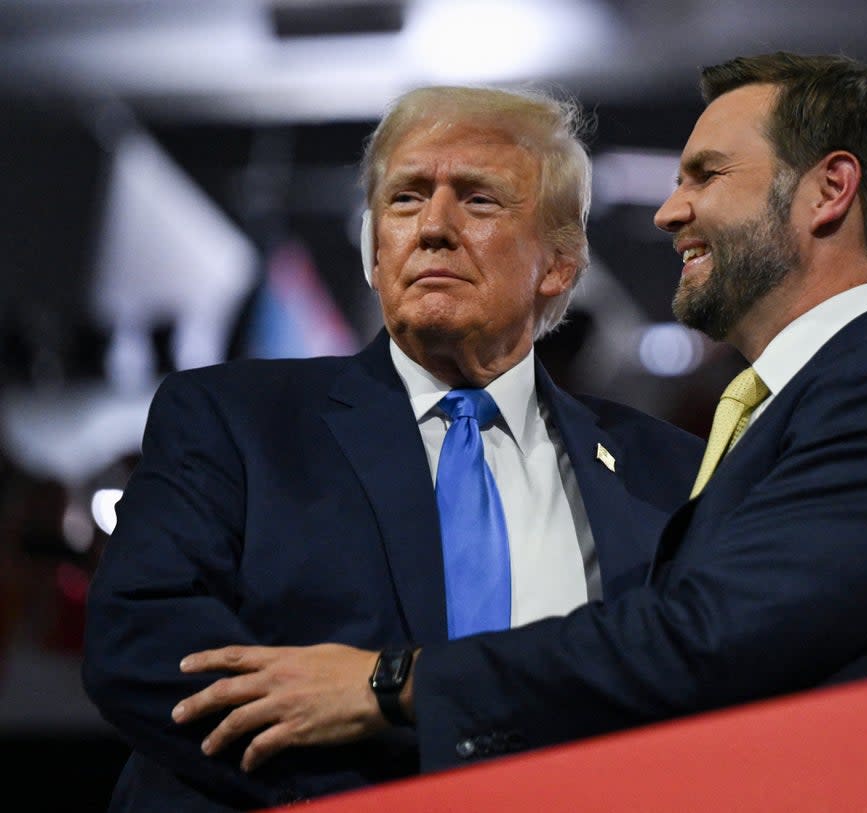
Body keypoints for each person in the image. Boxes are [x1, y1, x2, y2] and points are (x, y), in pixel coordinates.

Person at [161, 53, 867, 786]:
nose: (666, 209)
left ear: (829, 191)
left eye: (705, 173)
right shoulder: (773, 422)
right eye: (406, 199)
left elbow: (701, 639)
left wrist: (388, 683)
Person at [82, 86, 704, 810]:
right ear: (377, 250)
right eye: (406, 199)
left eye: (478, 200)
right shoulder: (233, 423)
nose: (433, 226)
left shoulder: (667, 475)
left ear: (560, 262)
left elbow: (693, 692)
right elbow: (147, 649)